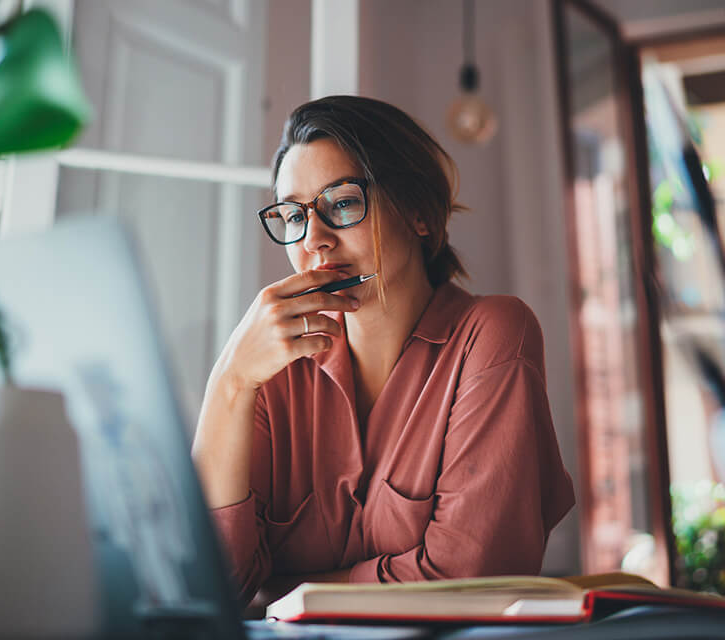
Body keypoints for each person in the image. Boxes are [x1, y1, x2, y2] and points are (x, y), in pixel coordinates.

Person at [191, 95, 574, 610]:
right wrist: (230, 381)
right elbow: (211, 588)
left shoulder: (492, 334)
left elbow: (468, 577)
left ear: (417, 211)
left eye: (342, 202)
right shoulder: (269, 372)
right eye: (293, 215)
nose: (315, 242)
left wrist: (286, 592)